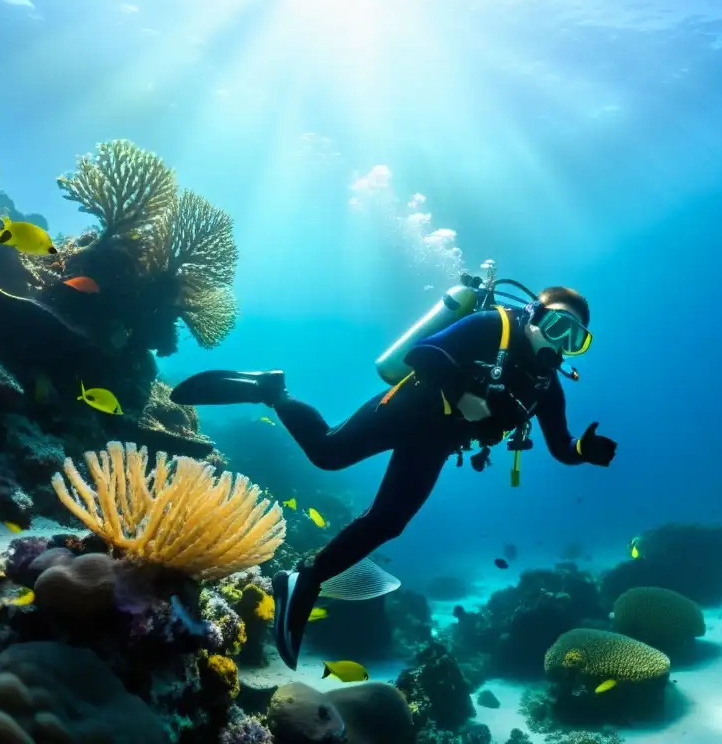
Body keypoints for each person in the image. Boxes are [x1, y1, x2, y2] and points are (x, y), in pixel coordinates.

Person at [170, 285, 617, 669]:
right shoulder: (490, 325)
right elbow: (421, 352)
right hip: (407, 409)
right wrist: (461, 396)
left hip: (435, 443)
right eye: (558, 326)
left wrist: (584, 451)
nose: (560, 343)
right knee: (327, 453)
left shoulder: (545, 386)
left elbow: (561, 445)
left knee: (389, 521)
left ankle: (304, 578)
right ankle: (272, 390)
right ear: (533, 314)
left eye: (574, 338)